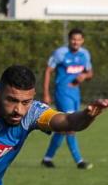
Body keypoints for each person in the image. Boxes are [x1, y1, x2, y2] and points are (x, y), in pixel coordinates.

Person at [40, 28, 94, 169]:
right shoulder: (60, 53)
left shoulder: (85, 54)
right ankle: (79, 161)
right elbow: (48, 70)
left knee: (62, 128)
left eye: (78, 39)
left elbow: (90, 73)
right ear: (69, 40)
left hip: (75, 94)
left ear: (82, 41)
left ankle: (47, 158)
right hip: (62, 93)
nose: (76, 42)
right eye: (73, 39)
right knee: (71, 126)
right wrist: (46, 93)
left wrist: (84, 76)